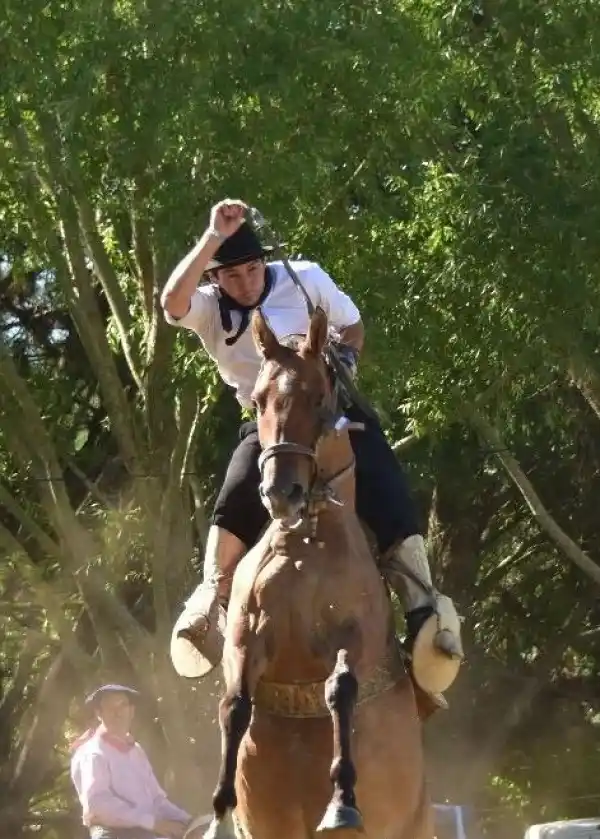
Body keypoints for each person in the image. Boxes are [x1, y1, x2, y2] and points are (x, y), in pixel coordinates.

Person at [161, 199, 464, 705]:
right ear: (217, 279)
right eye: (231, 276)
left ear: (266, 263)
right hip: (269, 424)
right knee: (236, 494)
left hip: (333, 411)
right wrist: (213, 236)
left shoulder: (305, 277)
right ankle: (209, 599)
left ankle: (423, 608)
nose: (245, 282)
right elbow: (172, 302)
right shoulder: (209, 309)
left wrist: (339, 358)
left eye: (253, 269)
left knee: (388, 487)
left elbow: (353, 324)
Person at [70, 684, 196, 839]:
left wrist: (189, 822)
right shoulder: (93, 753)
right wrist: (152, 823)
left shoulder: (135, 750)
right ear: (99, 713)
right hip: (114, 834)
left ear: (131, 711)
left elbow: (156, 799)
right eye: (110, 707)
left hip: (146, 831)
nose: (118, 712)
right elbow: (98, 803)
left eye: (123, 705)